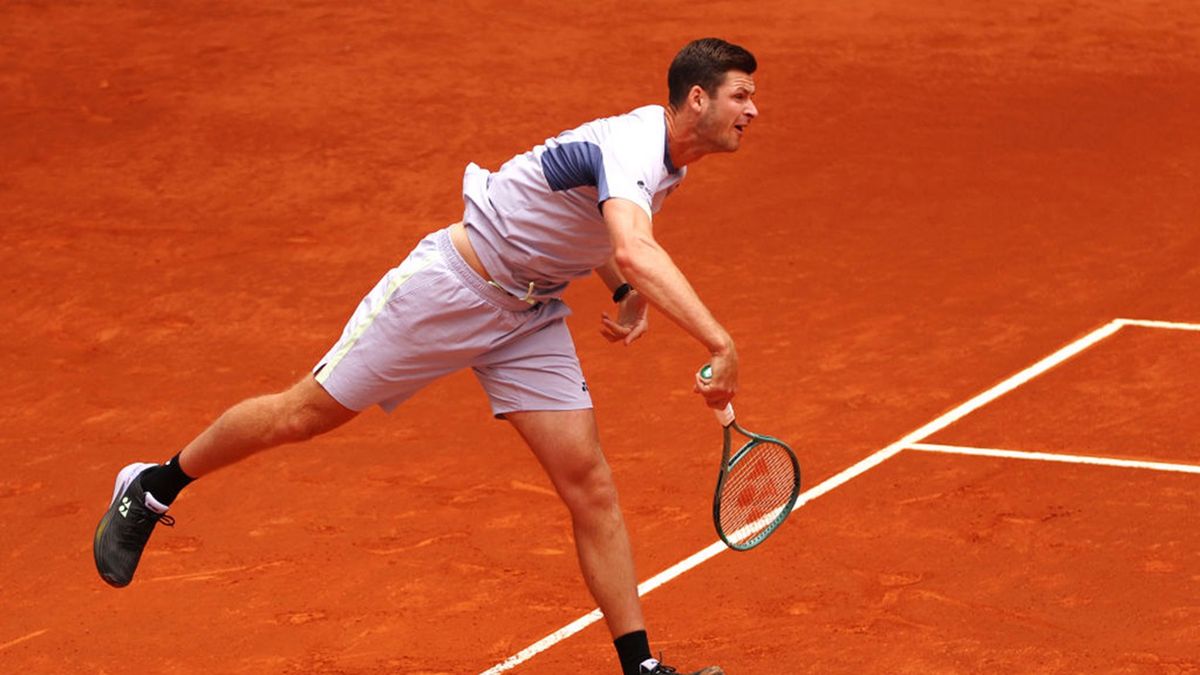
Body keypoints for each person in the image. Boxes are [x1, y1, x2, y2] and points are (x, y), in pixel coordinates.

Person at [93, 36, 758, 675]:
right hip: (450, 288)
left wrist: (622, 289)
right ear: (697, 99)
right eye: (741, 96)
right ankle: (153, 486)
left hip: (528, 318)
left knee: (590, 485)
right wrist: (718, 341)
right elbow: (634, 246)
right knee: (303, 414)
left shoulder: (668, 162)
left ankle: (639, 665)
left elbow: (580, 226)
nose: (753, 110)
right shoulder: (633, 144)